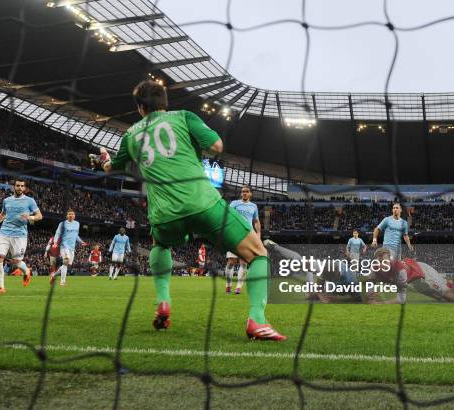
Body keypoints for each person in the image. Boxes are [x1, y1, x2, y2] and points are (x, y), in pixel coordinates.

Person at [102, 80, 285, 340]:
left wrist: (104, 158)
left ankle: (163, 302)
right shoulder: (184, 117)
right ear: (165, 102)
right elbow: (217, 146)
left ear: (141, 108)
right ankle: (256, 319)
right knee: (258, 253)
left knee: (160, 245)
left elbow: (111, 168)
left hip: (163, 215)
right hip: (203, 204)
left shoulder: (130, 135)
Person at [0, 179, 42, 294]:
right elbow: (3, 214)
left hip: (20, 235)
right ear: (14, 187)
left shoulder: (29, 201)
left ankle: (27, 271)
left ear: (24, 188)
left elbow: (39, 216)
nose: (19, 188)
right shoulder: (7, 200)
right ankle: (1, 287)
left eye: (22, 186)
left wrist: (30, 217)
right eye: (17, 185)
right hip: (4, 232)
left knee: (15, 262)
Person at [367, 247, 454, 303]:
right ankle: (453, 282)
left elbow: (401, 299)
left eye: (385, 261)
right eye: (379, 261)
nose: (382, 264)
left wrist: (381, 303)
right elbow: (370, 285)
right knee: (439, 297)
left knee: (448, 295)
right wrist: (370, 296)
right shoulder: (374, 269)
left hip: (422, 272)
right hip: (414, 280)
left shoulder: (399, 270)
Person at [225, 185, 260, 295]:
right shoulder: (234, 203)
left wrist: (258, 234)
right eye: (243, 191)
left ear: (250, 194)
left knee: (243, 262)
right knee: (231, 262)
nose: (244, 193)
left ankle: (238, 288)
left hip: (247, 236)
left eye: (246, 191)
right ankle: (228, 285)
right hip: (234, 234)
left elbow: (256, 221)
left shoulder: (253, 206)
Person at [51, 209, 87, 286]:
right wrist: (55, 242)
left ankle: (54, 275)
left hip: (72, 247)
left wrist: (81, 242)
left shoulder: (77, 224)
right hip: (64, 246)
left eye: (72, 214)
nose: (71, 215)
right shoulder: (62, 224)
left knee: (66, 265)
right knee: (66, 261)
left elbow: (76, 235)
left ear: (74, 216)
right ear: (67, 216)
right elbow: (57, 233)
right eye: (69, 214)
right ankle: (62, 281)